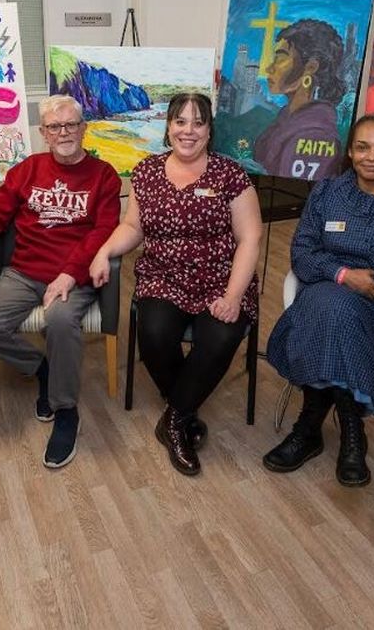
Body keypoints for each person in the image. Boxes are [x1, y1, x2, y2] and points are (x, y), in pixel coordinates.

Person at [90, 92, 262, 477]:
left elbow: (250, 238)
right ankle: (184, 414)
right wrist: (104, 252)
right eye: (180, 121)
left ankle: (174, 419)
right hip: (164, 276)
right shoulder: (146, 172)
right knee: (152, 333)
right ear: (168, 127)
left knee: (220, 336)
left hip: (221, 278)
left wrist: (233, 296)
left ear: (209, 129)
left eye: (198, 122)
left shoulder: (230, 175)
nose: (188, 130)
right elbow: (132, 227)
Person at [264, 113, 374, 486]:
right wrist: (344, 276)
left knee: (331, 312)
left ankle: (308, 427)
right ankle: (351, 433)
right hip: (329, 296)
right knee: (333, 308)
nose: (371, 157)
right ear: (350, 151)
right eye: (362, 147)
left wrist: (365, 284)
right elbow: (302, 253)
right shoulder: (328, 194)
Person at [0, 95, 120, 469]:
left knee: (60, 319)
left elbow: (104, 232)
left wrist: (69, 273)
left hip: (74, 276)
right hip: (24, 271)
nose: (64, 132)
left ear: (83, 128)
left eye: (71, 124)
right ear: (44, 133)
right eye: (54, 126)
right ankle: (42, 368)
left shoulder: (103, 175)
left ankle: (66, 411)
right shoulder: (28, 169)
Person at [253, 19, 347, 181]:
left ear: (310, 67)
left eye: (280, 58)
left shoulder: (316, 134)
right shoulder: (285, 120)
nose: (269, 68)